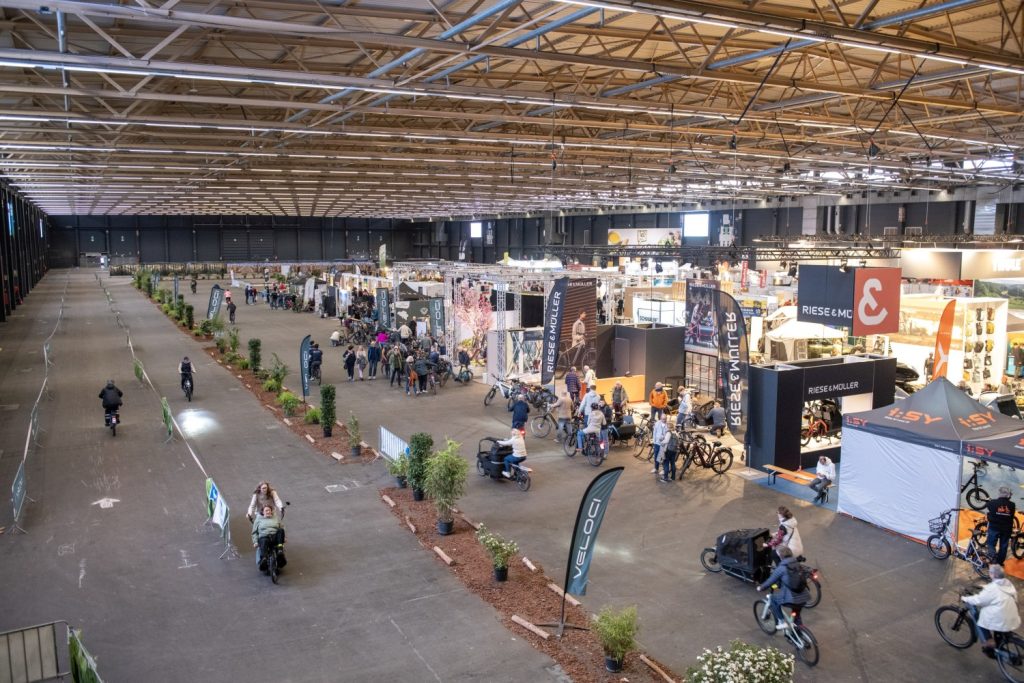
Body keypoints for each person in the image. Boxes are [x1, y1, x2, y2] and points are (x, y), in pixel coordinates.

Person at [963, 564, 1022, 658]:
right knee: (998, 625)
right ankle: (999, 644)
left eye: (990, 572)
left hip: (1001, 619)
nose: (989, 573)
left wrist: (965, 599)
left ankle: (989, 643)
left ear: (993, 575)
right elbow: (998, 591)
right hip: (1013, 617)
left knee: (980, 620)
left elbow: (978, 600)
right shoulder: (1008, 584)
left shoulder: (992, 588)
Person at [757, 547, 811, 631]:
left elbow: (770, 581)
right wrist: (778, 585)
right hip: (804, 597)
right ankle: (799, 630)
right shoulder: (798, 564)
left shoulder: (782, 568)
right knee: (796, 613)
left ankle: (781, 622)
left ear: (780, 556)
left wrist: (761, 587)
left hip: (791, 599)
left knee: (773, 599)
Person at [986, 486, 1017, 566]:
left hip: (994, 527)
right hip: (1006, 529)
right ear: (1009, 495)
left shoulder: (992, 503)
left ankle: (992, 559)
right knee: (1003, 546)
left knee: (991, 543)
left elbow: (988, 505)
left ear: (999, 493)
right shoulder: (1012, 505)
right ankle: (999, 562)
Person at [251, 504, 285, 572]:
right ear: (263, 512)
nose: (268, 512)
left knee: (281, 530)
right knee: (263, 540)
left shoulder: (276, 518)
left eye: (269, 510)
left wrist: (284, 538)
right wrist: (255, 542)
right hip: (264, 537)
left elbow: (282, 527)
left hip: (274, 537)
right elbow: (254, 532)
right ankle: (264, 559)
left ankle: (280, 550)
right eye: (266, 510)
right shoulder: (258, 520)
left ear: (271, 511)